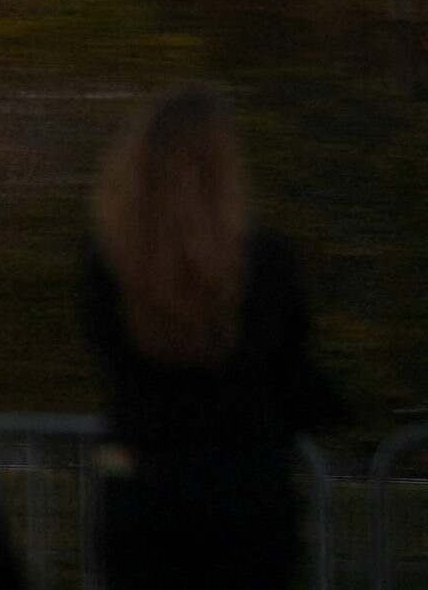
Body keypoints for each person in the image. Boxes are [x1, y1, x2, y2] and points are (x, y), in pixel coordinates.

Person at [82, 89, 343, 590]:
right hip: (245, 499)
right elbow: (293, 375)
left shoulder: (108, 264)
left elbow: (112, 364)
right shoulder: (265, 261)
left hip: (141, 496)